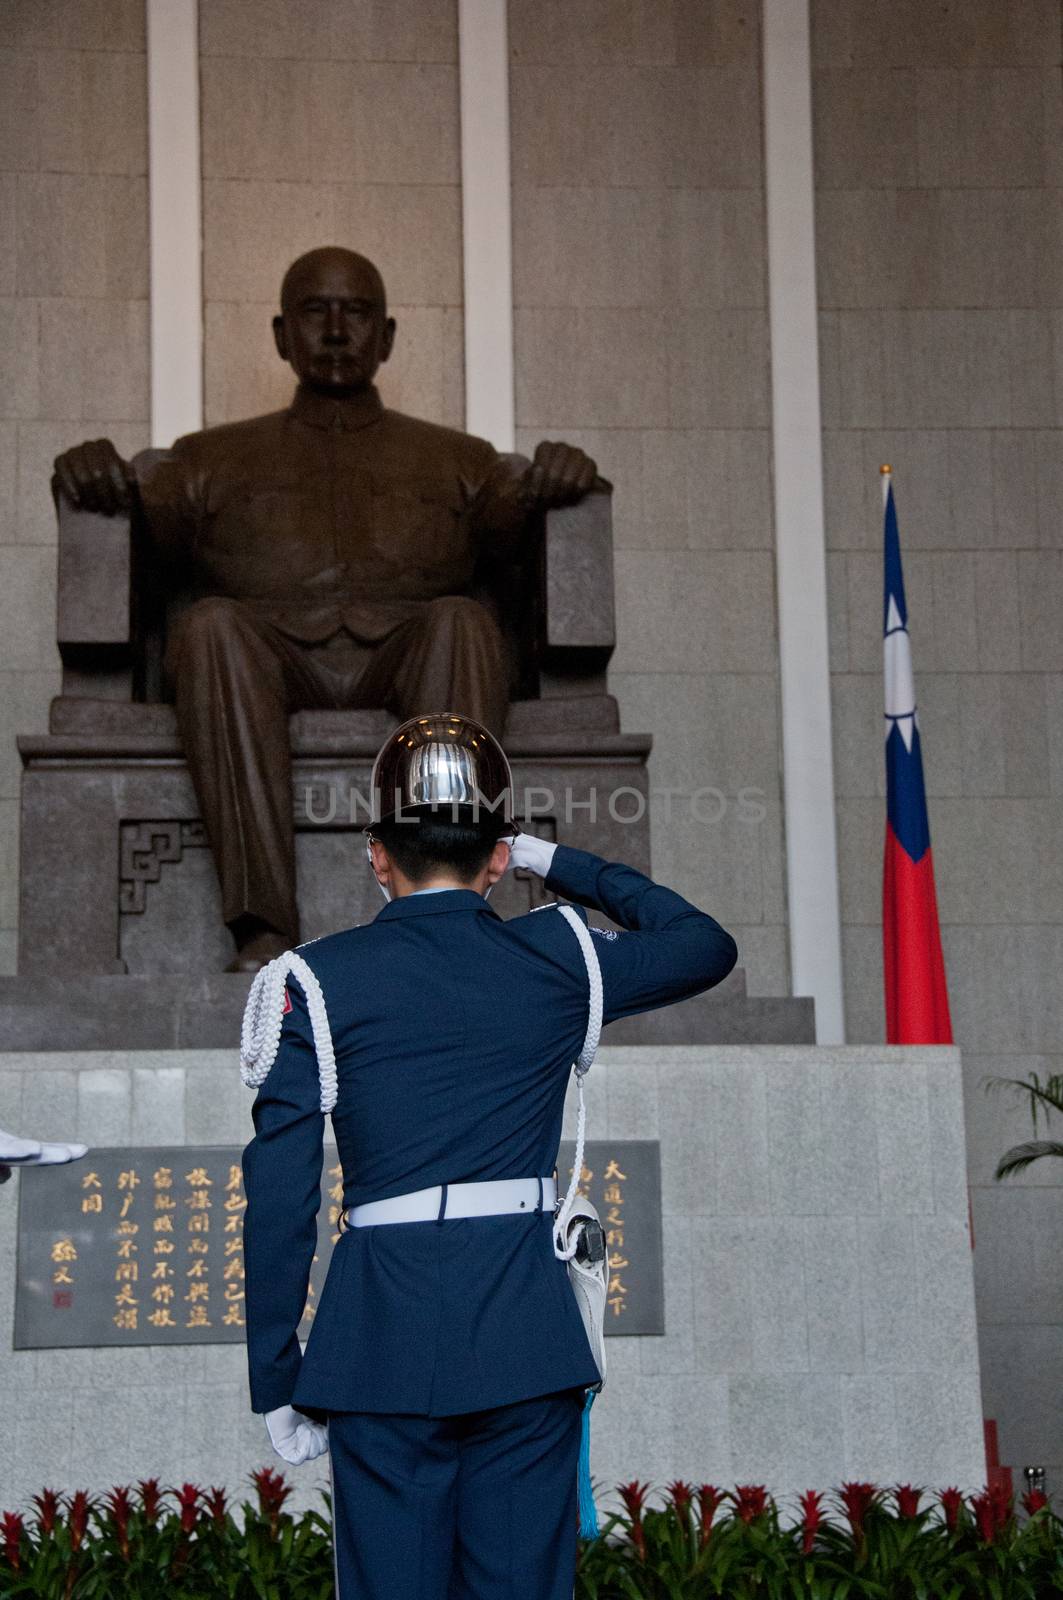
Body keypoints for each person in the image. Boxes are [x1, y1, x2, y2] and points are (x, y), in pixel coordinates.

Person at [239, 712, 738, 1599]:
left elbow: (280, 1197)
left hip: (379, 1341)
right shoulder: (558, 957)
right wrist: (555, 862)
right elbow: (702, 944)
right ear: (497, 855)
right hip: (521, 1333)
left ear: (375, 853)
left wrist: (278, 1376)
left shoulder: (312, 979)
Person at [51, 248, 599, 972]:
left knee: (462, 621)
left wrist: (555, 478)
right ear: (282, 336)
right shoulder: (210, 457)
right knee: (211, 624)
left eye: (357, 312)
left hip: (409, 650)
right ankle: (263, 931)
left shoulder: (458, 459)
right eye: (315, 311)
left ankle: (448, 914)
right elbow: (143, 524)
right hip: (265, 659)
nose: (337, 329)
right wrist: (95, 475)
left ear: (388, 336)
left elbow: (512, 524)